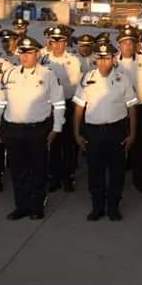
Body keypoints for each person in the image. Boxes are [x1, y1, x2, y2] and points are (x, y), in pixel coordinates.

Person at [0, 37, 65, 220]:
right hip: (12, 129)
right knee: (17, 170)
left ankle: (37, 206)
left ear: (37, 53)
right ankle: (21, 206)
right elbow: (2, 101)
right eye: (22, 52)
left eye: (29, 52)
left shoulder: (48, 75)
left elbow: (58, 103)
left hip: (37, 130)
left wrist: (57, 128)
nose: (25, 56)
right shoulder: (9, 74)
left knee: (38, 169)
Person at [72, 43, 138, 221]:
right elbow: (79, 108)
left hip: (116, 131)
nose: (103, 62)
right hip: (93, 132)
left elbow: (132, 109)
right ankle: (97, 207)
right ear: (95, 59)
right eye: (100, 58)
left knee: (117, 172)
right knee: (95, 171)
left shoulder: (123, 79)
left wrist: (132, 134)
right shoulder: (87, 78)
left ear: (113, 59)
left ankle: (113, 207)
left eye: (107, 58)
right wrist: (77, 133)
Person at [115, 26, 142, 192]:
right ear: (119, 45)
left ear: (135, 44)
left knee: (140, 148)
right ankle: (117, 181)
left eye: (130, 43)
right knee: (118, 148)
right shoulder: (112, 62)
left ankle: (139, 179)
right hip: (118, 111)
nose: (127, 46)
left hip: (140, 109)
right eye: (124, 43)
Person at [41, 25, 82, 193]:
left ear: (66, 43)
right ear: (50, 42)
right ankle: (54, 177)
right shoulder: (43, 59)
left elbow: (74, 85)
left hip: (67, 105)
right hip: (49, 107)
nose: (57, 45)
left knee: (69, 144)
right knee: (52, 144)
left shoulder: (73, 60)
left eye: (61, 42)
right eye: (54, 41)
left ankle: (68, 177)